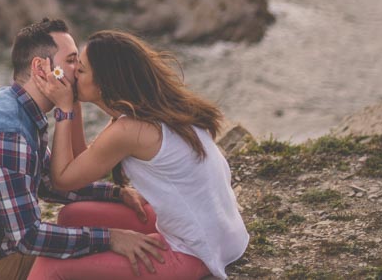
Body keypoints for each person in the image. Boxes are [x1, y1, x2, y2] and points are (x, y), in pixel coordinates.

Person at [0, 19, 168, 279]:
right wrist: (111, 238)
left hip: (1, 254)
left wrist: (115, 193)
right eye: (70, 60)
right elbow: (28, 238)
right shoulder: (7, 133)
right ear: (41, 68)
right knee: (97, 261)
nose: (78, 69)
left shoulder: (17, 106)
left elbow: (47, 181)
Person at [28, 30, 249, 280]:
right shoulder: (153, 110)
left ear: (105, 82)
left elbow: (63, 180)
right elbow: (83, 166)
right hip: (224, 235)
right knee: (71, 215)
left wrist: (64, 111)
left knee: (52, 266)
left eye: (81, 70)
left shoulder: (129, 130)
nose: (74, 75)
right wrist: (75, 103)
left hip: (194, 253)